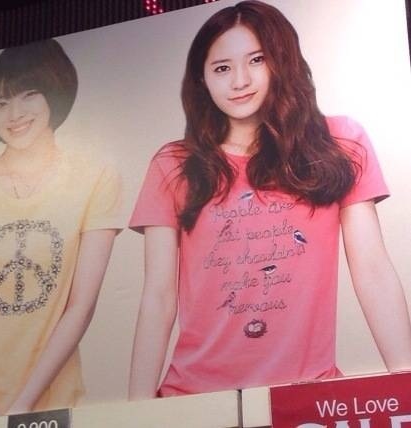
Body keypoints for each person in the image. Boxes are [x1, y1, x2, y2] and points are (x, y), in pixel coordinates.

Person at [127, 0, 411, 398]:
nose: (239, 81)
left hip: (307, 398)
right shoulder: (174, 163)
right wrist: (135, 410)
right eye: (221, 68)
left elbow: (372, 269)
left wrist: (405, 382)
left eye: (256, 60)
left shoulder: (340, 143)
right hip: (194, 400)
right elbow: (158, 297)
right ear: (202, 79)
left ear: (282, 61)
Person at [0, 39, 122, 418]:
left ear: (56, 91)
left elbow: (80, 306)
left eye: (29, 94)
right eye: (0, 103)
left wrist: (23, 407)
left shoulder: (95, 178)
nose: (14, 114)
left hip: (52, 404)